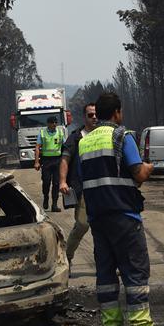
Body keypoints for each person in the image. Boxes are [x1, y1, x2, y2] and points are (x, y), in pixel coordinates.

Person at [78, 92, 164, 326]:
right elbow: (138, 174)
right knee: (135, 272)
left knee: (106, 275)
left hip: (98, 217)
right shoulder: (122, 135)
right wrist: (149, 168)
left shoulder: (84, 142)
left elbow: (84, 177)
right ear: (117, 112)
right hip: (123, 215)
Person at [59, 102, 97, 264]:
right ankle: (66, 257)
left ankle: (106, 261)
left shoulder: (106, 135)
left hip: (102, 189)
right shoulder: (75, 137)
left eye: (96, 114)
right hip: (82, 189)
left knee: (103, 228)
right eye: (90, 115)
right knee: (82, 225)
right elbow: (65, 159)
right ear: (84, 117)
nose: (94, 117)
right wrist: (62, 181)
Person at [34, 115, 64, 211]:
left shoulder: (60, 132)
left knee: (56, 183)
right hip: (46, 161)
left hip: (57, 160)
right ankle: (46, 197)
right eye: (52, 122)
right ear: (48, 124)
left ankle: (54, 205)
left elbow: (64, 146)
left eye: (56, 122)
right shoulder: (42, 133)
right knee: (46, 182)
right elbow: (37, 148)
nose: (54, 124)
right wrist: (37, 162)